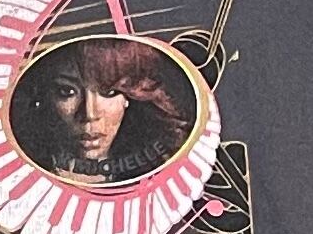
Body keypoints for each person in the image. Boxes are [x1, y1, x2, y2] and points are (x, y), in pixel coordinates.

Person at [12, 37, 194, 183]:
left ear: (130, 96)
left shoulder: (163, 174)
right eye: (67, 92)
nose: (89, 114)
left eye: (109, 92)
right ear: (43, 95)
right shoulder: (19, 172)